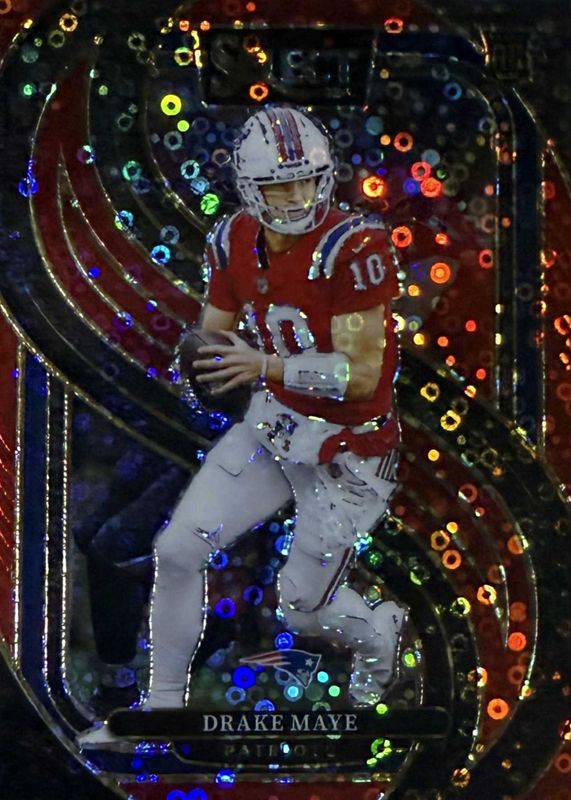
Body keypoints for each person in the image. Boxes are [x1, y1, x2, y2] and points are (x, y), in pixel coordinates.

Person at [80, 105, 406, 746]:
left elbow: (363, 376)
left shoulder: (353, 246)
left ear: (325, 178)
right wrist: (201, 365)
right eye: (280, 185)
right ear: (250, 189)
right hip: (274, 426)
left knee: (301, 610)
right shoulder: (233, 238)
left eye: (306, 180)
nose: (296, 195)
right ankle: (161, 707)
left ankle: (378, 631)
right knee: (177, 552)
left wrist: (264, 365)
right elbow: (214, 336)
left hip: (348, 446)